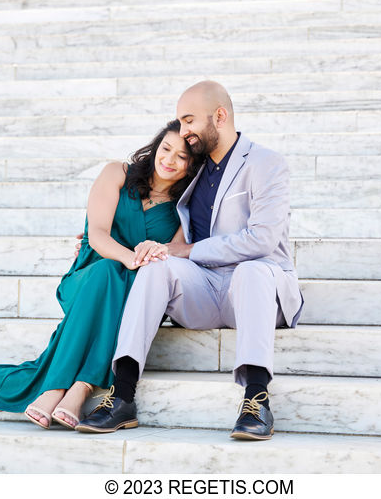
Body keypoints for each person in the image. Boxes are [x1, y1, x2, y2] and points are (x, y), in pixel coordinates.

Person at [76, 80, 304, 441]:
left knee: (252, 269)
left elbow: (263, 240)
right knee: (156, 266)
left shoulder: (266, 163)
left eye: (189, 121)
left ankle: (256, 399)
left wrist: (190, 251)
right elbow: (154, 206)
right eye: (180, 123)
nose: (184, 132)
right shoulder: (192, 167)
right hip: (205, 289)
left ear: (219, 116)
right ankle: (121, 397)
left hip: (258, 290)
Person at [0, 120, 201, 430]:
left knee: (120, 283)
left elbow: (170, 254)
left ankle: (74, 388)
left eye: (182, 157)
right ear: (155, 147)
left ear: (191, 166)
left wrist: (144, 261)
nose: (169, 160)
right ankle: (63, 388)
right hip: (86, 279)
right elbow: (96, 234)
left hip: (132, 296)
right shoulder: (116, 174)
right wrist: (131, 259)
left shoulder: (182, 209)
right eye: (166, 149)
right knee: (108, 271)